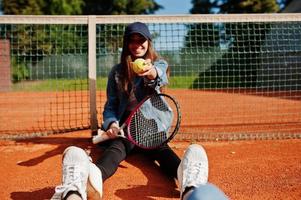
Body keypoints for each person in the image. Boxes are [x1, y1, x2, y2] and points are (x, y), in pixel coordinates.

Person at [51, 22, 228, 200]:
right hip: (126, 130)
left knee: (164, 154)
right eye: (132, 41)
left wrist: (150, 72)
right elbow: (111, 104)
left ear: (148, 42)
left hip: (151, 129)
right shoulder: (117, 72)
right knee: (114, 152)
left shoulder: (159, 64)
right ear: (127, 44)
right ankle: (83, 185)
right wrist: (111, 124)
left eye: (141, 40)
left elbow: (158, 75)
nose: (137, 45)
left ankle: (191, 188)